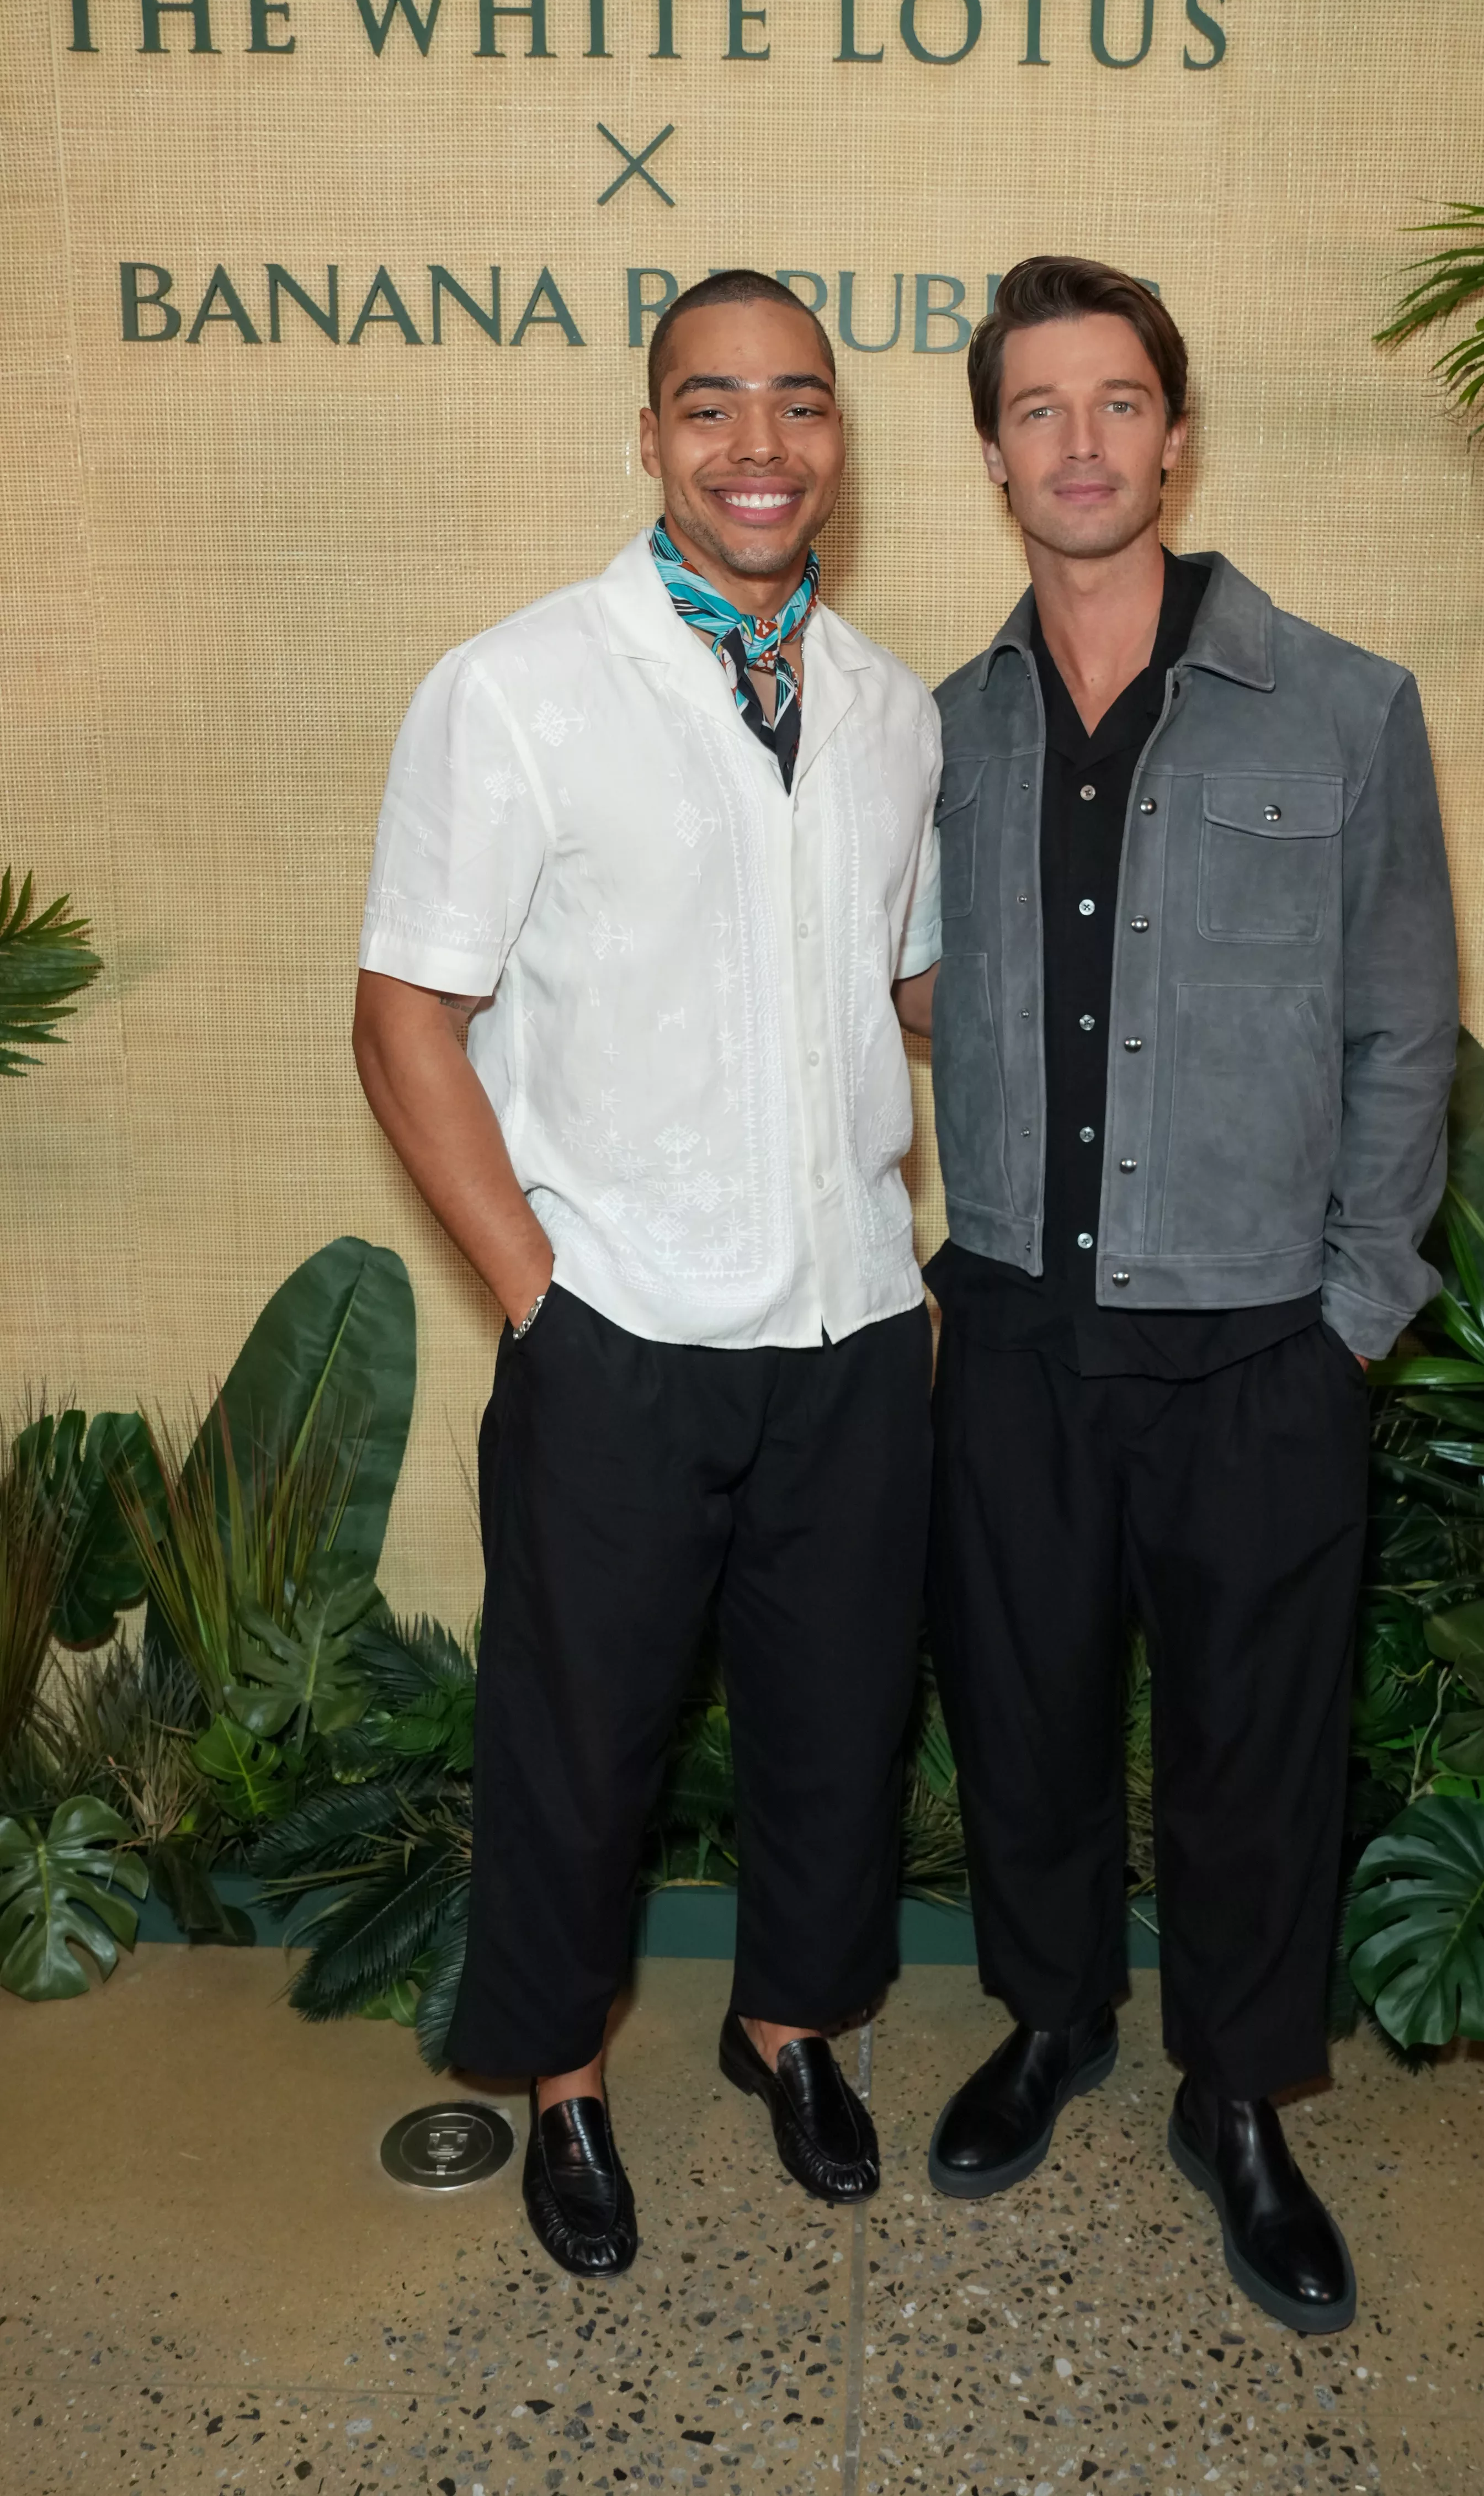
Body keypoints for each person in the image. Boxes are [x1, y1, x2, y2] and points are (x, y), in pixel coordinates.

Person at [352, 270, 942, 2279]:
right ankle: (562, 2083)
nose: (757, 448)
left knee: (837, 1716)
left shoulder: (890, 708)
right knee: (575, 1735)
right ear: (650, 436)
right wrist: (540, 1292)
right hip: (617, 1330)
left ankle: (791, 2028)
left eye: (798, 405)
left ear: (839, 440)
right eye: (712, 407)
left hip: (854, 1321)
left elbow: (909, 985)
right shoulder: (516, 685)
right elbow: (406, 1013)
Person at [899, 255, 1458, 2335]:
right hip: (1020, 1332)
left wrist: (1348, 1319)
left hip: (1254, 1351)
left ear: (1173, 431)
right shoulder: (932, 731)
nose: (1077, 443)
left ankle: (1238, 2099)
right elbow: (903, 982)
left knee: (1253, 1751)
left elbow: (1405, 1033)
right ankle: (1052, 2020)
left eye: (1114, 401)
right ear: (990, 454)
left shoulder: (1340, 704)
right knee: (1027, 1721)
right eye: (1036, 410)